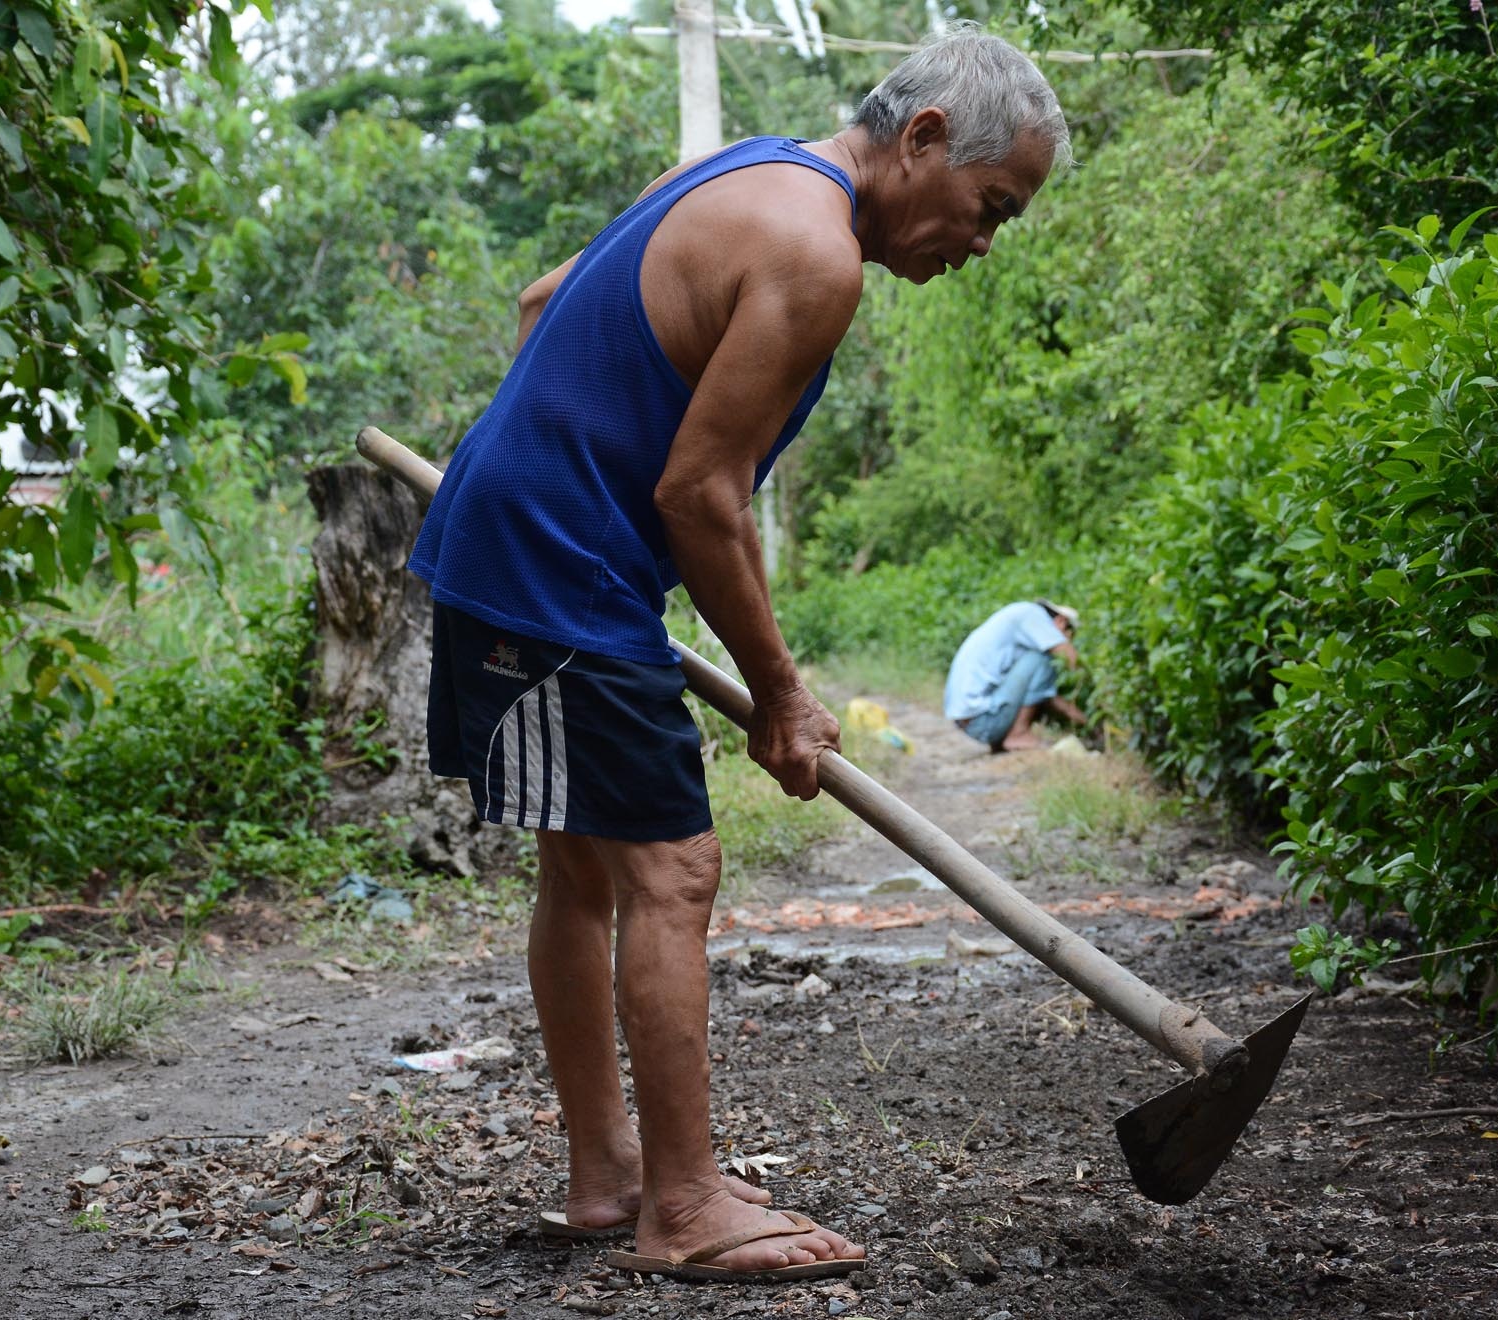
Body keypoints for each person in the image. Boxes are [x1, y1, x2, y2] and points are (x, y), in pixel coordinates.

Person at [405, 29, 1069, 1284]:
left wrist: (552, 455)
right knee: (674, 870)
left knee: (588, 868)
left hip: (537, 547)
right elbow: (701, 492)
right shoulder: (817, 256)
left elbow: (550, 301)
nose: (982, 245)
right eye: (991, 209)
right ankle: (685, 1206)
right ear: (924, 137)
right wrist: (780, 693)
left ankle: (614, 1179)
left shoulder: (739, 173)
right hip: (556, 571)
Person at [945, 599, 1088, 752]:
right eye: (1069, 633)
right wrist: (1095, 689)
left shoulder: (1018, 618)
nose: (1068, 639)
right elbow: (1070, 658)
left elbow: (1045, 694)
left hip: (972, 721)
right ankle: (1018, 734)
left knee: (1038, 664)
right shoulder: (1033, 614)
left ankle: (1008, 736)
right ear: (1061, 621)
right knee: (1042, 660)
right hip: (983, 720)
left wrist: (1085, 721)